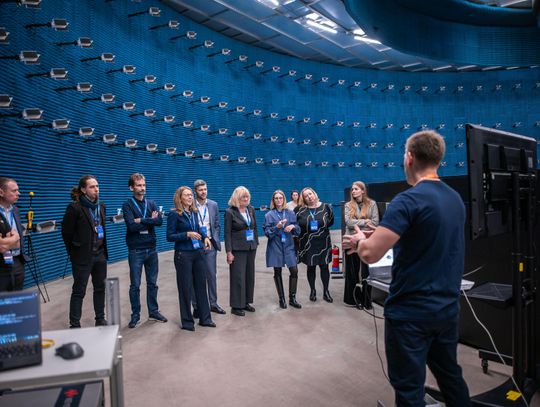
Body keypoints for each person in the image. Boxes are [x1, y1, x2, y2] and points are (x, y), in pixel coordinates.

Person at [343, 130, 470, 407]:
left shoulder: (407, 200)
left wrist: (361, 241)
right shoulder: (454, 199)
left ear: (410, 157)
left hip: (411, 314)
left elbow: (370, 253)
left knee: (409, 390)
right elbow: (425, 236)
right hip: (446, 310)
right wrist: (380, 234)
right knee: (451, 378)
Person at [167, 186, 216, 331]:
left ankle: (205, 319)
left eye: (190, 195)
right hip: (183, 255)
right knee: (185, 289)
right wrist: (186, 234)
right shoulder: (174, 214)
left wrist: (205, 237)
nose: (190, 197)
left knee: (201, 286)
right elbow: (170, 236)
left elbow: (199, 228)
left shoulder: (194, 212)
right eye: (186, 195)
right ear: (180, 198)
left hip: (198, 253)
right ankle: (187, 322)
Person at [62, 175, 108, 328]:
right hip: (82, 257)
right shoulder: (75, 208)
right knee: (79, 291)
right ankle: (74, 324)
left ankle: (100, 318)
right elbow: (66, 233)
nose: (96, 189)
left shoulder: (101, 206)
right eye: (92, 187)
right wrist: (74, 253)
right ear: (83, 189)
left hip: (100, 255)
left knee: (100, 288)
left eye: (97, 186)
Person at [122, 173, 167, 329]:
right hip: (136, 250)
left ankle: (153, 311)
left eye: (143, 185)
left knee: (152, 283)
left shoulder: (151, 203)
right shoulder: (127, 205)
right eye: (139, 185)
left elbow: (159, 221)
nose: (142, 188)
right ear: (131, 187)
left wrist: (141, 220)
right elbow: (131, 226)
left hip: (151, 249)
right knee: (135, 285)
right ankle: (135, 315)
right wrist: (150, 221)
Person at [263, 190, 301, 309]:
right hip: (275, 246)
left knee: (294, 270)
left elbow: (298, 229)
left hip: (289, 245)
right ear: (273, 200)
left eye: (280, 198)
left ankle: (292, 298)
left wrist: (293, 226)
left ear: (284, 199)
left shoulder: (290, 213)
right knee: (277, 271)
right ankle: (282, 298)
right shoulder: (269, 215)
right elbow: (267, 233)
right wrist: (277, 227)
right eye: (276, 198)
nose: (278, 200)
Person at [343, 181, 378, 309]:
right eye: (352, 189)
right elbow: (348, 222)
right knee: (352, 272)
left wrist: (358, 223)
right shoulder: (348, 205)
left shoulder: (372, 204)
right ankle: (354, 300)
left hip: (366, 241)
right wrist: (365, 221)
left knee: (366, 272)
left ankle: (366, 300)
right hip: (351, 241)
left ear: (363, 190)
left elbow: (375, 222)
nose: (353, 191)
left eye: (356, 189)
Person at [192, 179, 225, 316]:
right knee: (196, 276)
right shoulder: (190, 204)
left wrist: (214, 238)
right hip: (195, 244)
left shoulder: (213, 204)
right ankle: (196, 306)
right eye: (200, 190)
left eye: (205, 189)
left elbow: (216, 224)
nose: (203, 192)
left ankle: (213, 303)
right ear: (195, 191)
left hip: (210, 244)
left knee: (211, 275)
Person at [295, 187, 334, 303]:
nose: (309, 197)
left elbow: (330, 222)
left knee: (324, 267)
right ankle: (312, 290)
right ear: (303, 199)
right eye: (306, 196)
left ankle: (326, 291)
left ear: (314, 194)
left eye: (310, 194)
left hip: (323, 242)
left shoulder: (326, 207)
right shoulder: (299, 210)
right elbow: (296, 224)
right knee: (310, 267)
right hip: (307, 243)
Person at [224, 186, 258, 316]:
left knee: (249, 275)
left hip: (251, 248)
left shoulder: (251, 209)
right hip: (237, 249)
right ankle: (236, 306)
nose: (246, 198)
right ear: (237, 198)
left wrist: (256, 242)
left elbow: (254, 228)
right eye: (243, 196)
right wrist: (229, 252)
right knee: (238, 277)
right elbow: (227, 233)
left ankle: (246, 302)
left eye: (247, 196)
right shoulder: (230, 212)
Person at [0, 177, 28, 292]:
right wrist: (15, 239)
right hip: (1, 263)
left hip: (17, 261)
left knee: (16, 297)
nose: (18, 193)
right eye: (14, 190)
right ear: (1, 192)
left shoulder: (15, 210)